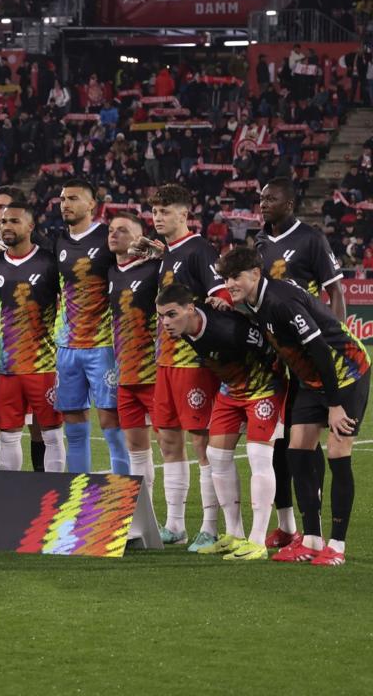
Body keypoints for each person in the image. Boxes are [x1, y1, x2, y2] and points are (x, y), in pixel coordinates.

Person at [219, 247, 370, 566]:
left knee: (337, 452)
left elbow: (320, 350)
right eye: (226, 278)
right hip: (311, 381)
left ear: (255, 273)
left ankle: (337, 545)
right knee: (297, 451)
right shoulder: (254, 301)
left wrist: (334, 405)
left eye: (235, 277)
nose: (230, 283)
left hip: (346, 372)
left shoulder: (280, 301)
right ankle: (311, 539)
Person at [131, 183, 233, 550]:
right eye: (155, 210)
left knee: (200, 443)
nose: (158, 216)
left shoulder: (199, 249)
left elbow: (219, 293)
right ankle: (176, 525)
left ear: (184, 215)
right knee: (169, 440)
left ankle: (209, 526)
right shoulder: (171, 252)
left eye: (166, 210)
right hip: (166, 360)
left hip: (193, 362)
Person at [155, 283, 285, 562]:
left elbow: (268, 349)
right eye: (161, 316)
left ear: (189, 309)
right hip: (230, 390)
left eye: (171, 314)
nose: (165, 322)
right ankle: (234, 534)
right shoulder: (188, 324)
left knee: (258, 456)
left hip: (262, 389)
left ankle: (258, 541)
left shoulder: (227, 330)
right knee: (216, 456)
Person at [255, 177, 346, 548]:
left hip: (305, 353)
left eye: (271, 199)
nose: (263, 204)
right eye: (261, 198)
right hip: (275, 353)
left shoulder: (311, 239)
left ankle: (314, 521)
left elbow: (335, 290)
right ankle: (286, 524)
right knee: (278, 441)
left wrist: (334, 339)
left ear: (289, 204)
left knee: (305, 438)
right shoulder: (260, 241)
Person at [53, 179, 126, 476]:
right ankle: (76, 491)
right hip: (67, 346)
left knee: (111, 422)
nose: (65, 204)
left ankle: (124, 494)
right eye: (62, 199)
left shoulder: (108, 239)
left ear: (92, 205)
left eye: (72, 198)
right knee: (74, 425)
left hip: (103, 346)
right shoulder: (56, 241)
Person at [0, 203, 64, 471]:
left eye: (15, 221)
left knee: (52, 434)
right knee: (8, 436)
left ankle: (54, 496)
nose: (7, 226)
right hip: (6, 367)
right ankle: (10, 498)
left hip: (44, 365)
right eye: (4, 221)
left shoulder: (48, 262)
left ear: (30, 226)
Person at [105, 212, 161, 517]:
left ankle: (177, 524)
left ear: (140, 237)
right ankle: (146, 520)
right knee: (137, 450)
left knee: (170, 446)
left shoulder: (156, 269)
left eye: (123, 230)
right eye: (112, 230)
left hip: (155, 373)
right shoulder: (112, 272)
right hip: (125, 374)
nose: (115, 234)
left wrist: (161, 252)